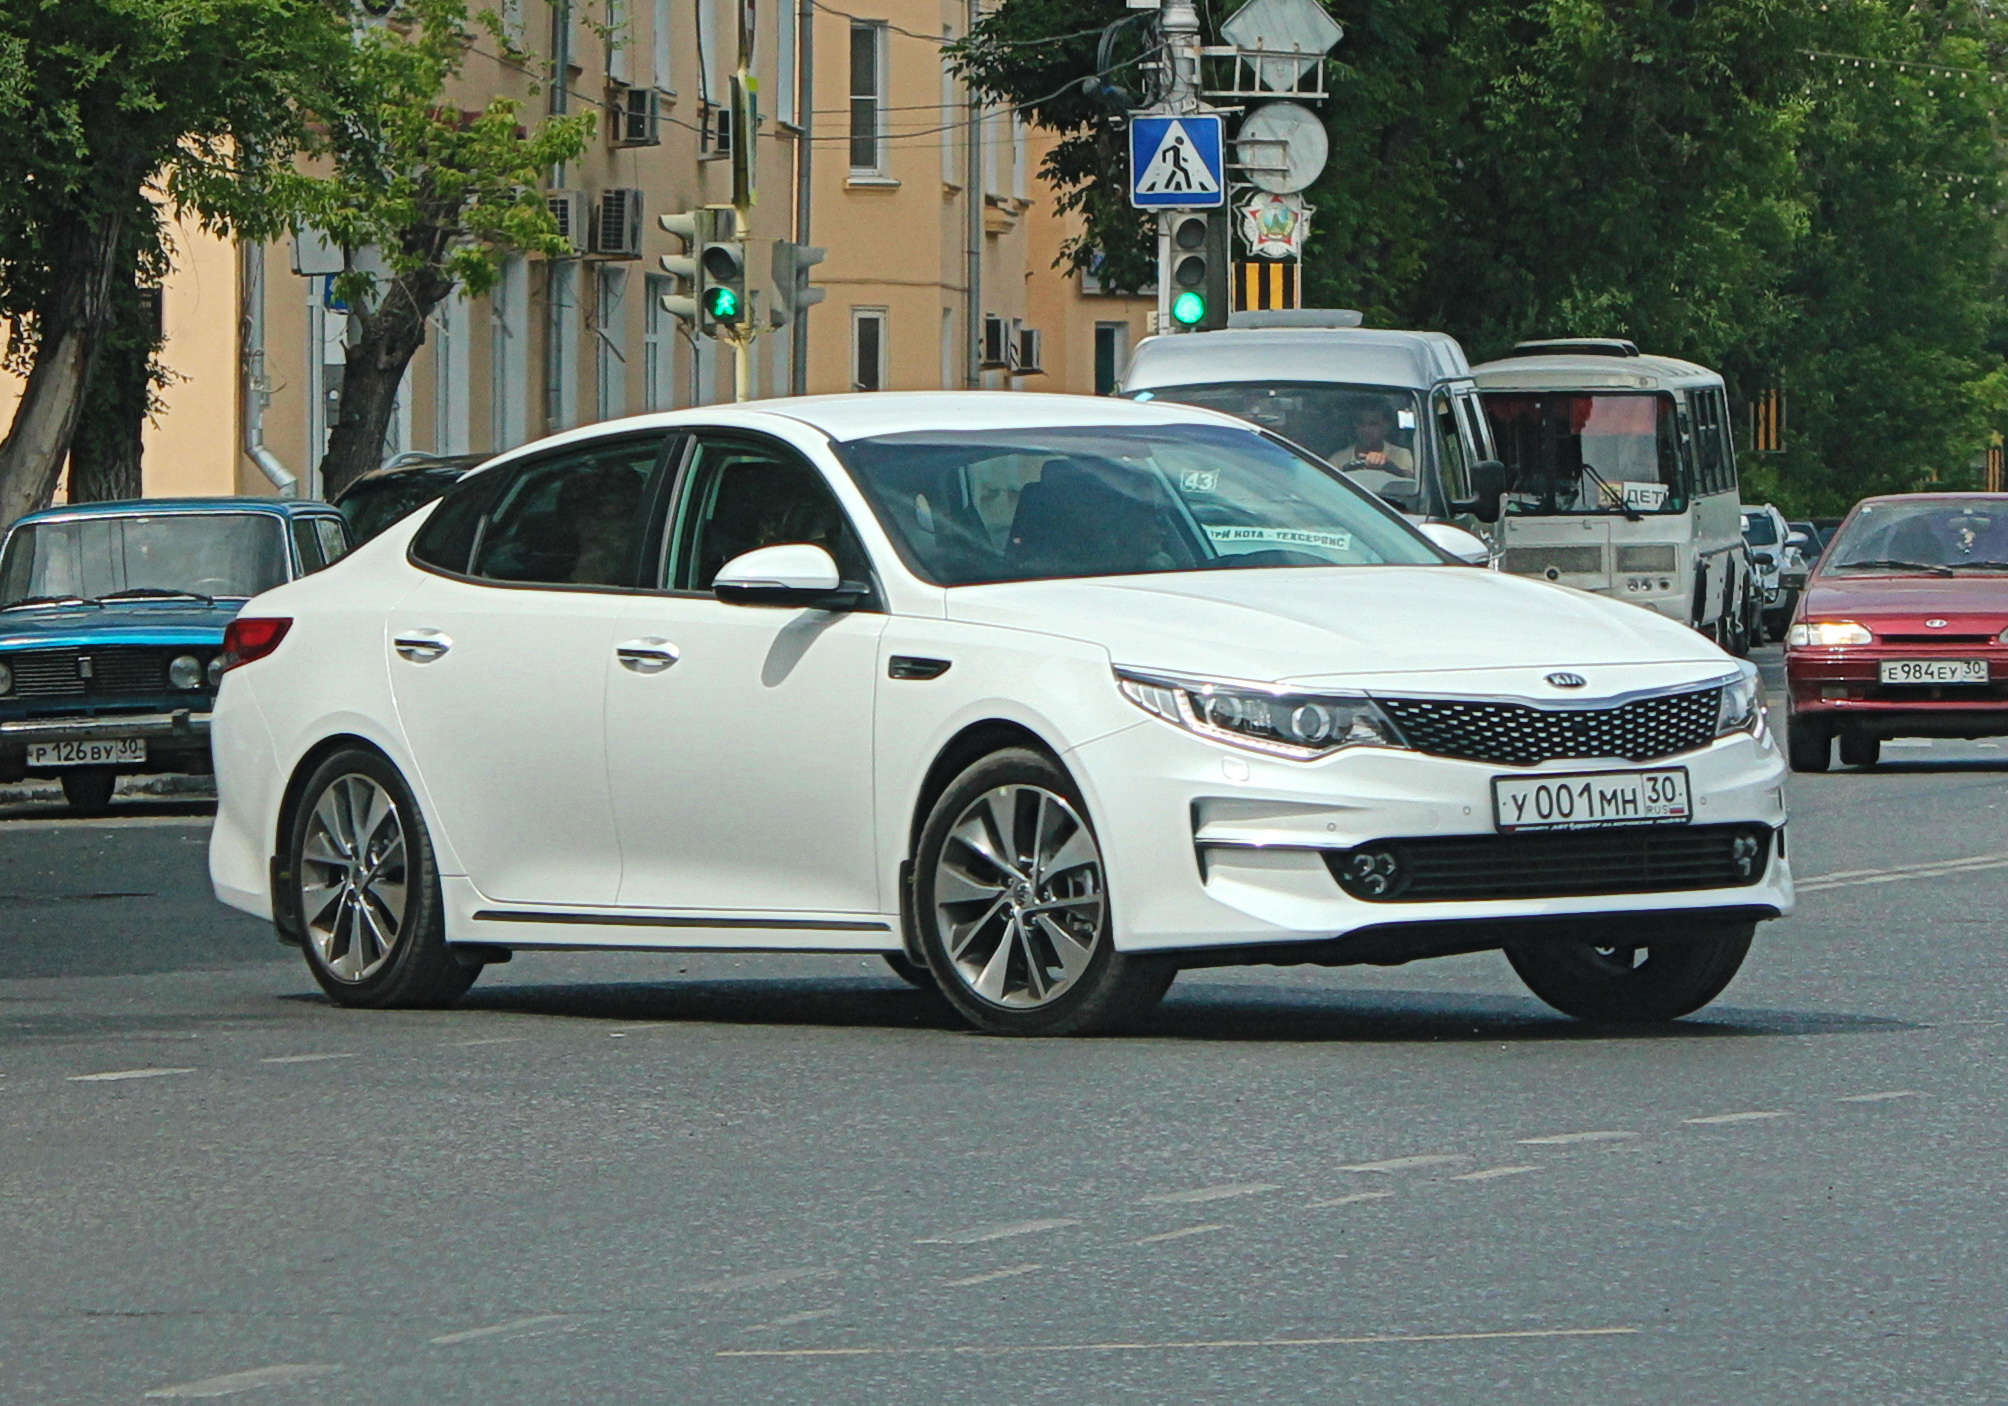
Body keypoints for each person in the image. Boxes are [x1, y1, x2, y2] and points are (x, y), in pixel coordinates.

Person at [1336, 402, 1414, 477]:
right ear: (1354, 426)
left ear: (1386, 427)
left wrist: (1390, 466)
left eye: (1373, 424)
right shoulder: (1338, 460)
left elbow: (1411, 482)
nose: (1366, 430)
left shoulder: (1401, 455)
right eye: (1361, 423)